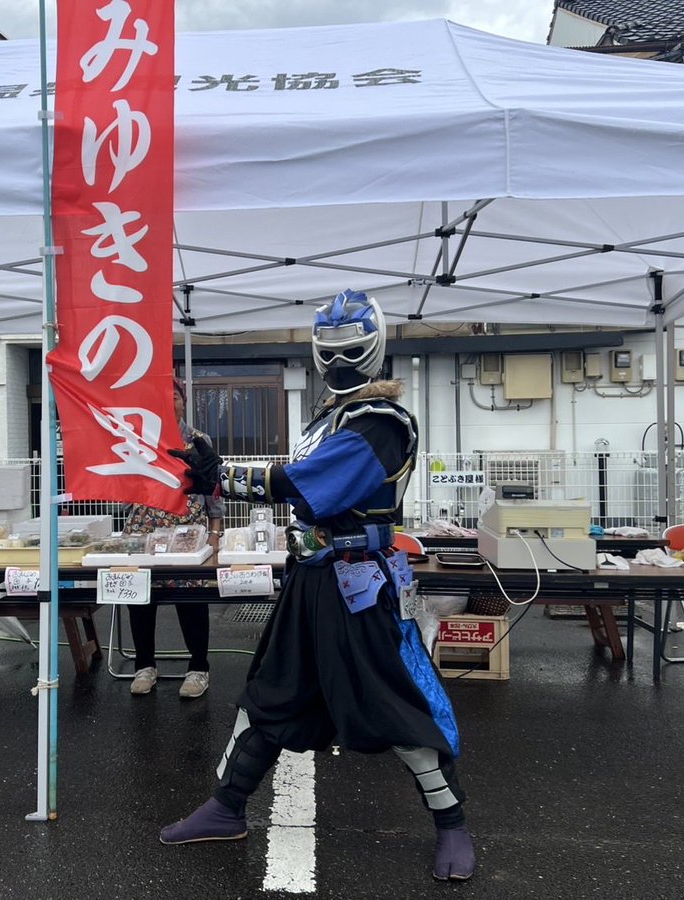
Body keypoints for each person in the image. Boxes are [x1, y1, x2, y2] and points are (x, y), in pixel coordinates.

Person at [160, 289, 475, 881]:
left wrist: (222, 474)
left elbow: (312, 485)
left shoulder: (381, 421)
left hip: (360, 585)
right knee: (270, 691)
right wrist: (215, 475)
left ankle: (451, 822)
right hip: (310, 578)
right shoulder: (328, 417)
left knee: (395, 703)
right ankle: (226, 806)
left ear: (374, 347)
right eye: (329, 348)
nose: (338, 359)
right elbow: (300, 483)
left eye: (350, 347)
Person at [121, 377, 225, 700]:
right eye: (161, 397)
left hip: (187, 532)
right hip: (145, 530)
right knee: (140, 596)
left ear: (184, 402)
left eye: (175, 396)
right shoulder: (138, 440)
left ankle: (198, 668)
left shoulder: (199, 440)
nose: (169, 402)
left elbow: (213, 490)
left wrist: (215, 534)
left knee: (190, 596)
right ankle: (144, 666)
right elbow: (125, 489)